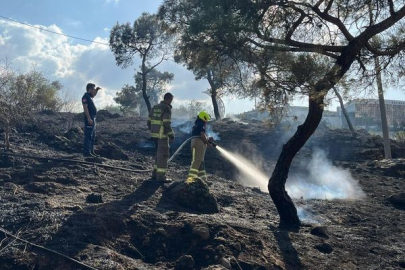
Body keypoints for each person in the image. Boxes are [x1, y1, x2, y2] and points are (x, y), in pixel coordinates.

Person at [147, 93, 175, 183]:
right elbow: (166, 123)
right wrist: (171, 135)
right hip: (162, 136)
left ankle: (155, 174)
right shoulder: (166, 108)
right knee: (163, 155)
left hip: (154, 135)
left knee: (158, 155)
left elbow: (148, 121)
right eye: (171, 100)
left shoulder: (155, 107)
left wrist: (153, 130)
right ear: (168, 99)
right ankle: (161, 176)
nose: (171, 102)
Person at [187, 111, 214, 182]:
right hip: (198, 143)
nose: (206, 121)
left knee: (200, 161)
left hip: (195, 141)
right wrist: (208, 143)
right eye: (206, 119)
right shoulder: (202, 124)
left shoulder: (196, 124)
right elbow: (202, 135)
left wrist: (207, 138)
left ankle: (203, 180)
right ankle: (190, 179)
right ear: (203, 117)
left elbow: (200, 135)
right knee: (197, 160)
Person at [82, 83, 101, 157]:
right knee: (88, 135)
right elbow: (85, 108)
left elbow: (94, 95)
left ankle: (91, 151)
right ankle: (87, 152)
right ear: (89, 89)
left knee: (93, 136)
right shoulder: (85, 97)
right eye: (93, 89)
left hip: (93, 118)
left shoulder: (90, 96)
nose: (94, 91)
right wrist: (89, 118)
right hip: (89, 118)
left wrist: (97, 90)